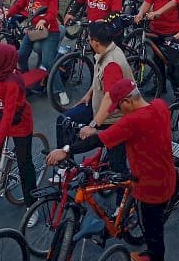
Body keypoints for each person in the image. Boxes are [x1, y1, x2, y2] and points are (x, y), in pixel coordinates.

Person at [48, 78, 176, 261]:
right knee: (152, 225)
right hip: (165, 176)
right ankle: (152, 255)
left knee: (153, 229)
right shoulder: (159, 106)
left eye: (120, 107)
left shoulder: (133, 121)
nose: (120, 111)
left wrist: (66, 150)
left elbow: (98, 141)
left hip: (149, 186)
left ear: (128, 101)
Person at [54, 20, 134, 174]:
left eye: (89, 38)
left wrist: (93, 126)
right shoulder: (107, 50)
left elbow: (111, 98)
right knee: (64, 120)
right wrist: (90, 93)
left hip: (113, 118)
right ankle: (65, 165)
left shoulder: (111, 63)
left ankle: (124, 196)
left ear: (95, 42)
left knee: (118, 170)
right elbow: (100, 76)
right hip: (96, 107)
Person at [0, 42, 37, 208]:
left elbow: (9, 114)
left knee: (24, 164)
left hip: (19, 123)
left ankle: (32, 204)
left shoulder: (11, 83)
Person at [14, 0, 62, 78]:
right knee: (21, 55)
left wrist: (43, 20)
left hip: (50, 31)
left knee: (48, 63)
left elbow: (52, 13)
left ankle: (59, 91)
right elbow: (18, 6)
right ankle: (27, 78)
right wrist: (7, 13)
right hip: (34, 30)